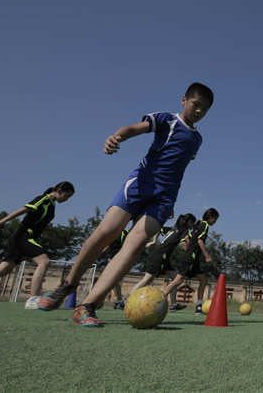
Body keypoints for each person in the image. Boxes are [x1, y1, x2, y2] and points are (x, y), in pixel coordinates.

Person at [38, 82, 214, 328]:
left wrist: (170, 199)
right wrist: (117, 136)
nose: (199, 112)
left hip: (163, 199)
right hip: (140, 184)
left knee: (134, 245)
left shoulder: (197, 139)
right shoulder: (167, 120)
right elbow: (135, 128)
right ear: (184, 100)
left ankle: (86, 306)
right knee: (106, 233)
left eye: (205, 109)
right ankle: (69, 283)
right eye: (196, 105)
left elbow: (179, 167)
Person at [129, 213, 196, 312]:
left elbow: (159, 229)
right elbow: (184, 242)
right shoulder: (184, 229)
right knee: (146, 280)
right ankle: (128, 301)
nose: (193, 226)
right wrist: (190, 254)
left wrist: (154, 241)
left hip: (163, 257)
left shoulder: (174, 228)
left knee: (175, 279)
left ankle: (173, 305)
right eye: (193, 223)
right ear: (189, 222)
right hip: (160, 256)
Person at [161, 209, 218, 313]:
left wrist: (191, 248)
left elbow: (188, 237)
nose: (215, 221)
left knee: (203, 280)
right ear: (210, 217)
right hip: (191, 258)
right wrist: (207, 256)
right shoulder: (204, 225)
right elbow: (200, 240)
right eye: (215, 219)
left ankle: (199, 307)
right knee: (178, 280)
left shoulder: (198, 224)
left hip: (193, 258)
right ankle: (159, 299)